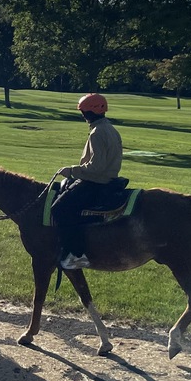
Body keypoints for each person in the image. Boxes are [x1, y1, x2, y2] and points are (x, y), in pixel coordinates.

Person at [52, 92, 125, 270]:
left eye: (83, 112)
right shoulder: (110, 129)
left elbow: (96, 167)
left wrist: (71, 171)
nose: (82, 115)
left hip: (96, 182)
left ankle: (76, 254)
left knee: (59, 208)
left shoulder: (97, 133)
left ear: (89, 112)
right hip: (108, 179)